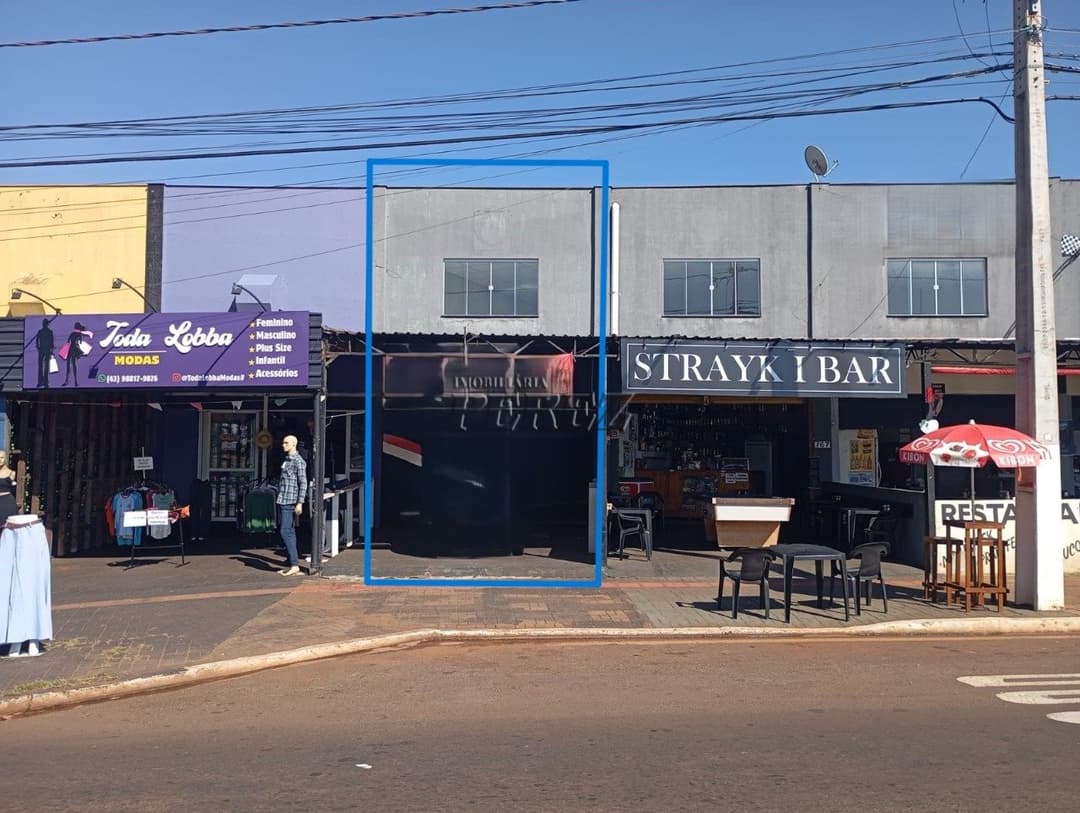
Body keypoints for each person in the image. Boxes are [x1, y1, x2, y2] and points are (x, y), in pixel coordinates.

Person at [276, 434, 307, 576]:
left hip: (290, 500)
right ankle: (292, 561)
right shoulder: (286, 460)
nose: (283, 445)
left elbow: (303, 482)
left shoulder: (298, 462)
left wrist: (300, 502)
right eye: (283, 442)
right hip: (282, 498)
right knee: (289, 530)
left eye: (286, 442)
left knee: (285, 530)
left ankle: (294, 564)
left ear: (294, 444)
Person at [63, 321, 90, 387]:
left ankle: (67, 381)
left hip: (71, 349)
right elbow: (80, 342)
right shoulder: (79, 334)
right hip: (75, 349)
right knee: (74, 365)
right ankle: (75, 382)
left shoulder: (72, 334)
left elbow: (68, 341)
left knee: (68, 366)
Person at [33, 317, 57, 389]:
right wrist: (51, 350)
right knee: (44, 366)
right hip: (45, 350)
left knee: (43, 366)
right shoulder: (48, 332)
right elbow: (51, 343)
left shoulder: (45, 332)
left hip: (44, 350)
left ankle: (43, 382)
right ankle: (43, 382)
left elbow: (50, 342)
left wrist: (38, 348)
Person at [0, 450, 17, 526]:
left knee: (7, 527)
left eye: (2, 457)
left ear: (5, 459)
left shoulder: (12, 473)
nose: (0, 460)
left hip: (7, 501)